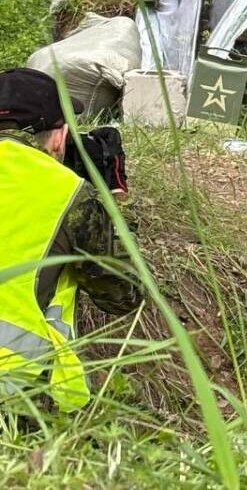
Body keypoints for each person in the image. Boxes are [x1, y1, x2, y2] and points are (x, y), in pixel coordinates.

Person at [0, 68, 142, 412]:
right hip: (19, 394)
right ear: (60, 136)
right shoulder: (63, 191)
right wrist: (113, 221)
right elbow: (123, 294)